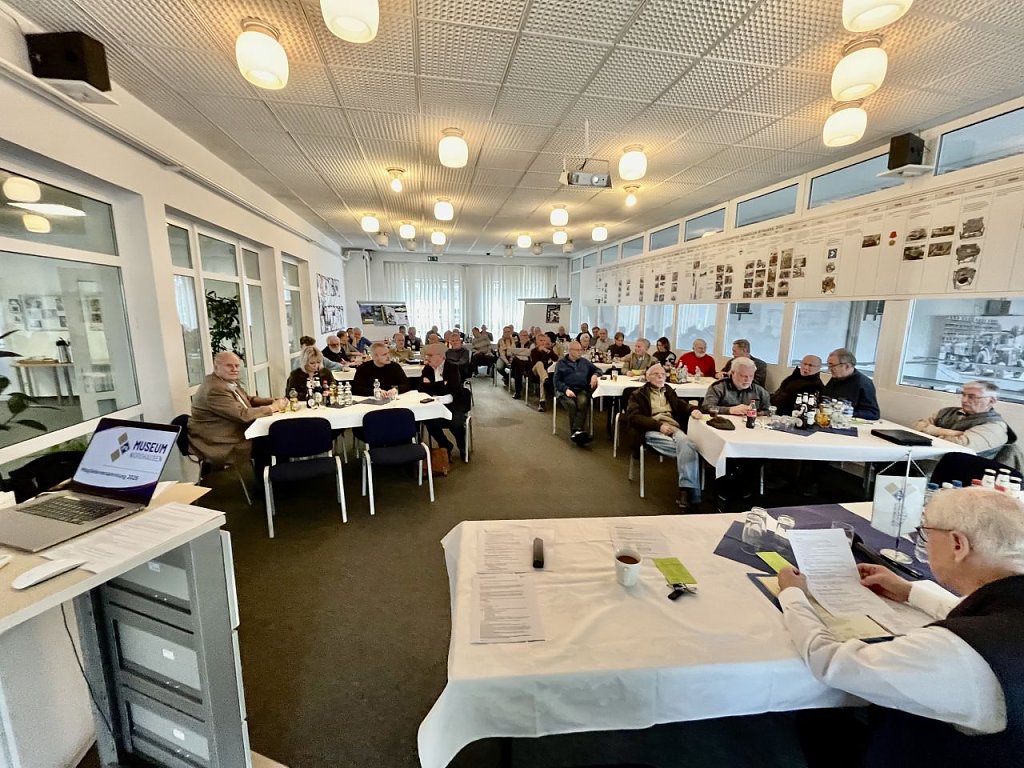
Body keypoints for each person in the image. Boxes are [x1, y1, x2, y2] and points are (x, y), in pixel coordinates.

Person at [777, 488, 1024, 768]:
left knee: (818, 718)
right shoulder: (1007, 605)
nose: (924, 544)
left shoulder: (955, 650)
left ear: (958, 544)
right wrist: (909, 592)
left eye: (926, 534)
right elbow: (989, 616)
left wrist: (793, 596)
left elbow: (830, 663)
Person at [189, 351, 287, 468]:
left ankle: (274, 474)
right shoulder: (215, 389)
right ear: (216, 367)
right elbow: (242, 415)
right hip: (221, 442)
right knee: (276, 441)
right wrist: (273, 407)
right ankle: (269, 476)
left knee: (276, 438)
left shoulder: (225, 381)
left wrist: (271, 401)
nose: (234, 369)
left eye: (237, 366)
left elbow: (247, 400)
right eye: (229, 365)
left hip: (235, 433)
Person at [625, 364, 701, 510]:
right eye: (656, 374)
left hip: (673, 428)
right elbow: (634, 417)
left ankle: (685, 490)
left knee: (687, 445)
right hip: (651, 429)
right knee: (690, 449)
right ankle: (690, 493)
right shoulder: (638, 394)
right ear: (647, 377)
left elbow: (681, 405)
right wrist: (658, 426)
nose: (661, 376)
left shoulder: (669, 391)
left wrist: (693, 410)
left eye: (663, 374)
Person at [913, 381, 1015, 459]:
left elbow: (957, 447)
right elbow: (916, 427)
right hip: (923, 460)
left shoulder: (994, 426)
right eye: (963, 395)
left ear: (991, 401)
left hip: (959, 474)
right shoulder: (946, 411)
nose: (964, 400)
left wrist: (931, 430)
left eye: (971, 397)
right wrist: (951, 433)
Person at [415, 343, 469, 460]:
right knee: (431, 423)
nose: (427, 358)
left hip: (454, 404)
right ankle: (445, 446)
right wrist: (443, 384)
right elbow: (421, 388)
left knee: (457, 425)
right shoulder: (427, 369)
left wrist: (432, 385)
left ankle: (462, 447)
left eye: (430, 355)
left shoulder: (452, 367)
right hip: (435, 405)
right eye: (427, 355)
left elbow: (454, 388)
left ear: (440, 356)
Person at [553, 341, 600, 445]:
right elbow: (556, 381)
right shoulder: (561, 363)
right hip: (564, 390)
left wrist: (595, 375)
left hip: (580, 389)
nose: (580, 352)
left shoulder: (584, 362)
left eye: (581, 350)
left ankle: (576, 432)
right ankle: (577, 432)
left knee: (583, 402)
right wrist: (566, 389)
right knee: (571, 404)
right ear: (570, 351)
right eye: (578, 350)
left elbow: (598, 370)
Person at [823, 348, 880, 419]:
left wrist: (846, 412)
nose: (829, 369)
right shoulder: (836, 378)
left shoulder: (864, 383)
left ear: (847, 366)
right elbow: (825, 398)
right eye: (828, 365)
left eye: (832, 366)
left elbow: (873, 413)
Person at [702, 357, 771, 414]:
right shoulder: (719, 387)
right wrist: (730, 410)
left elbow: (769, 411)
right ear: (732, 373)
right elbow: (706, 408)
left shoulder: (760, 391)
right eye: (743, 376)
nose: (747, 379)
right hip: (723, 423)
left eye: (751, 376)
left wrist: (756, 413)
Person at [516, 333, 559, 411]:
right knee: (539, 364)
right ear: (537, 341)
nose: (543, 342)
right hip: (534, 371)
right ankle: (546, 379)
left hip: (544, 373)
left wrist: (546, 350)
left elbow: (556, 359)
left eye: (544, 340)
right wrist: (542, 353)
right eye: (541, 340)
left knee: (543, 379)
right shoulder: (534, 351)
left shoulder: (548, 350)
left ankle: (542, 402)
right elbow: (535, 362)